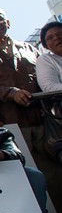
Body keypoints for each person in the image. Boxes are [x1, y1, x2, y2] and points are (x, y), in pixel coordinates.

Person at [0, 7, 58, 211]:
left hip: (41, 119)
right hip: (11, 122)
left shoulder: (28, 49)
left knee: (54, 174)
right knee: (25, 175)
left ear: (8, 23)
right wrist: (11, 93)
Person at [34, 21, 62, 163]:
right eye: (50, 38)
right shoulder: (47, 60)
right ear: (46, 46)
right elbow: (49, 87)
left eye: (59, 34)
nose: (56, 38)